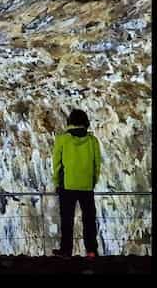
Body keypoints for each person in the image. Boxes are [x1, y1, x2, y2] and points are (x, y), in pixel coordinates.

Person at [52, 108, 102, 259]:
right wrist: (93, 181)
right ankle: (91, 251)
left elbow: (57, 164)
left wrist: (57, 182)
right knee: (89, 220)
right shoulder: (92, 141)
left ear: (70, 122)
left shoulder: (62, 139)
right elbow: (97, 165)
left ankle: (66, 251)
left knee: (67, 219)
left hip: (67, 185)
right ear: (85, 122)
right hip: (86, 185)